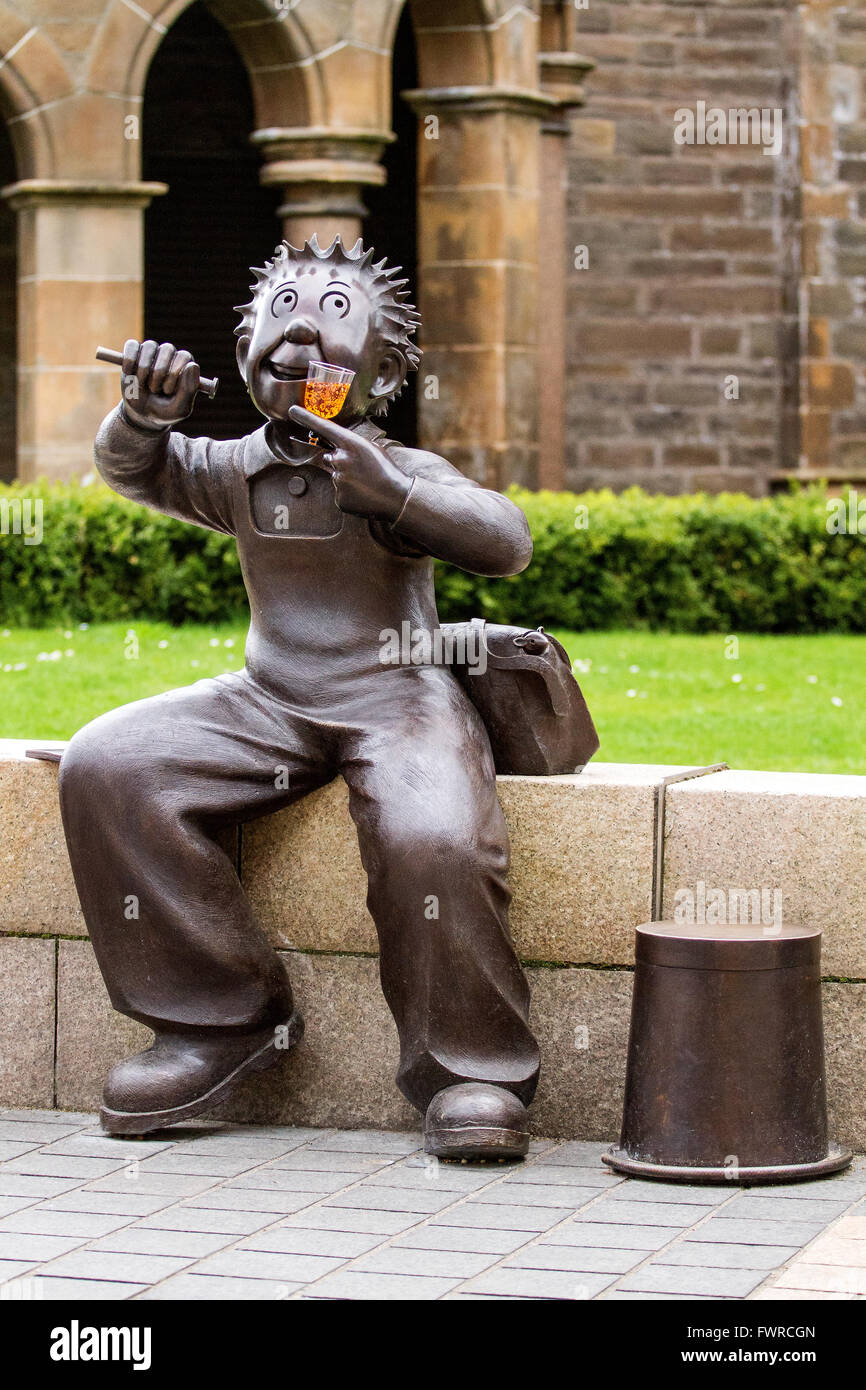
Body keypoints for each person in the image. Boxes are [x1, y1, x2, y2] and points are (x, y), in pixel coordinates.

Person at [59, 235, 540, 1159]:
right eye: (280, 314)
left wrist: (394, 492)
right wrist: (142, 418)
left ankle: (470, 1069)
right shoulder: (234, 469)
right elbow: (136, 471)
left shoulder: (395, 469)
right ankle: (218, 1019)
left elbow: (506, 541)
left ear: (387, 367)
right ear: (242, 350)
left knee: (434, 836)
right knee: (109, 764)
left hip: (396, 697)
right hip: (268, 698)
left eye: (333, 315)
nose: (302, 333)